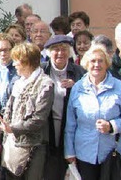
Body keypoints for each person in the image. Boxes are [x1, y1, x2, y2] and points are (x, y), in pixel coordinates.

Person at [64, 45, 121, 180]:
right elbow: (70, 124)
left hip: (112, 152)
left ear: (107, 63)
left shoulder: (118, 86)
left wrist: (112, 126)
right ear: (86, 63)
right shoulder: (78, 88)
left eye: (100, 61)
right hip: (84, 152)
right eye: (93, 61)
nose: (96, 64)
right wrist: (69, 151)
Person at [0, 42, 53, 179]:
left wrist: (12, 128)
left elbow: (38, 119)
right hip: (11, 144)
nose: (14, 64)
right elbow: (9, 109)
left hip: (33, 146)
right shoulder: (18, 82)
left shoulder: (45, 84)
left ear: (27, 62)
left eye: (17, 61)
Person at [40, 35, 86, 180]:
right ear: (49, 52)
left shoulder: (79, 72)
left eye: (64, 49)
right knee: (48, 168)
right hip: (47, 127)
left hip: (70, 127)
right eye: (55, 50)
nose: (60, 53)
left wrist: (76, 86)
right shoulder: (42, 70)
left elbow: (88, 95)